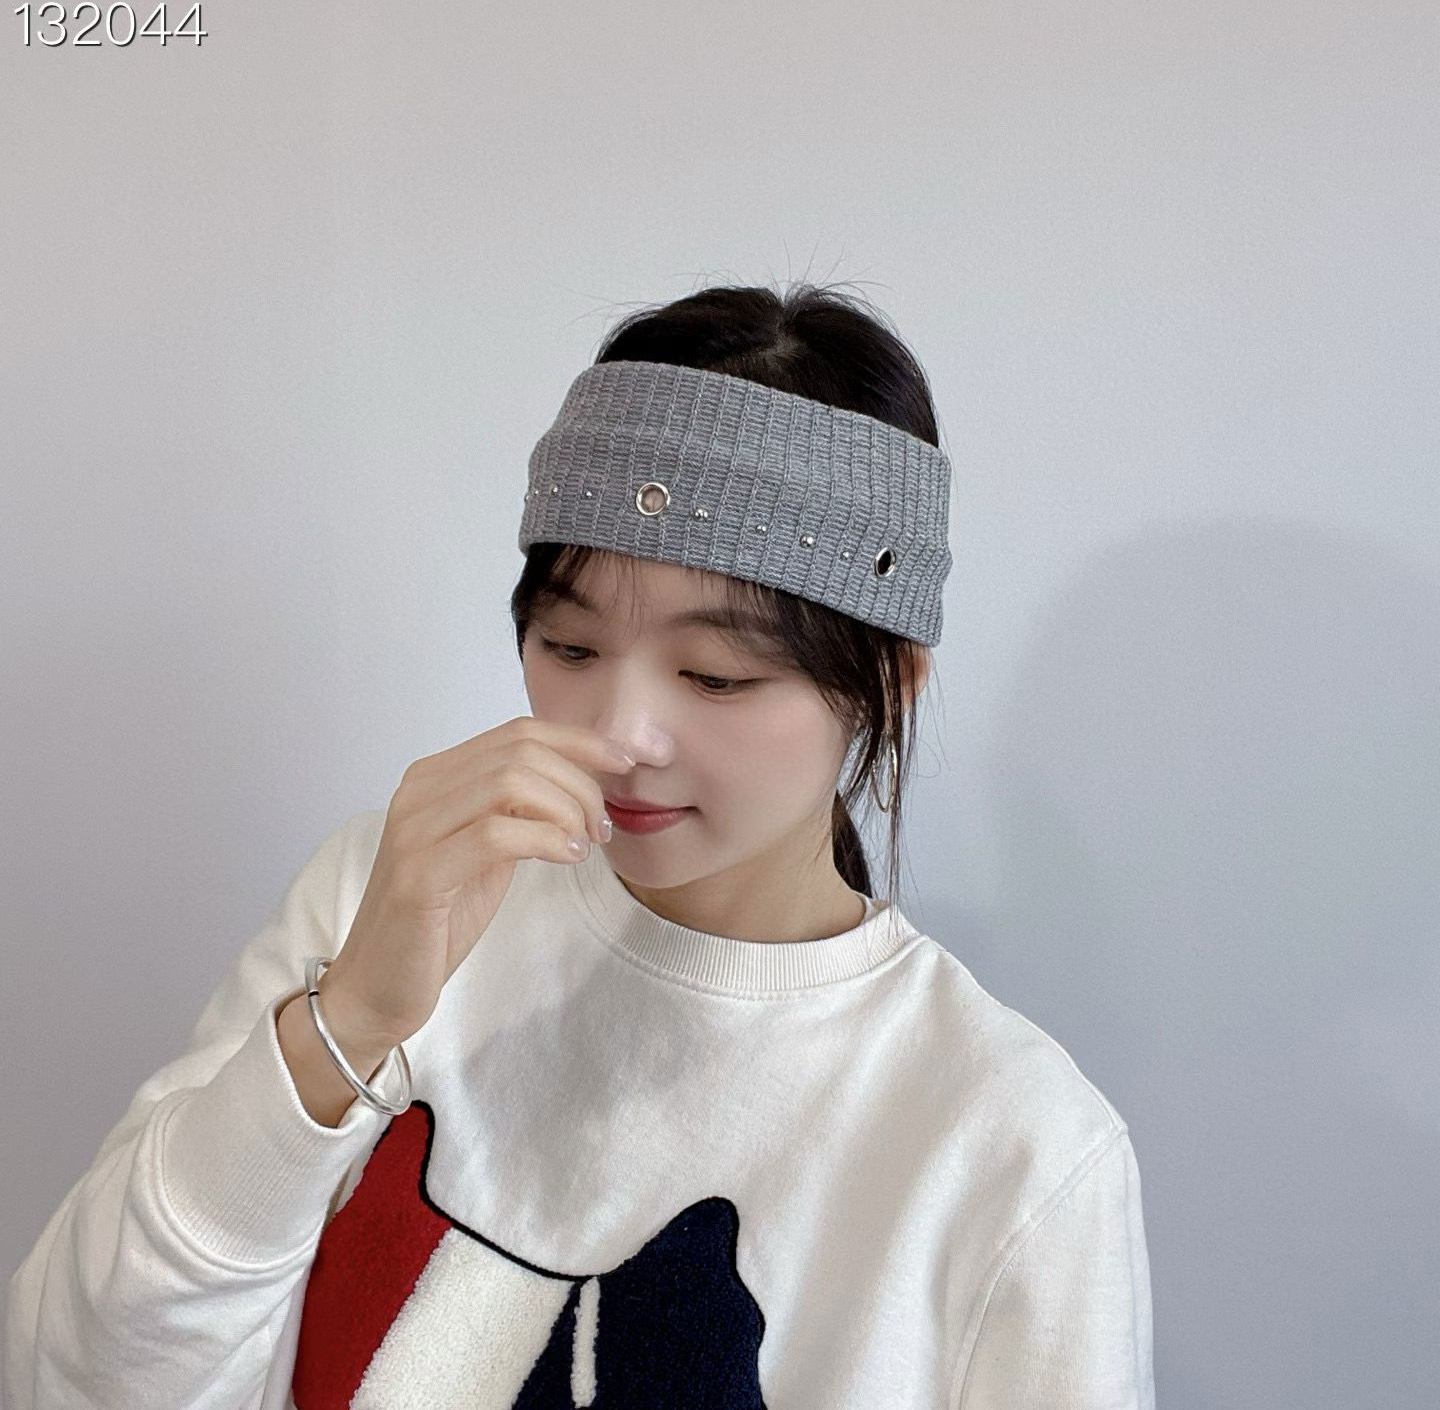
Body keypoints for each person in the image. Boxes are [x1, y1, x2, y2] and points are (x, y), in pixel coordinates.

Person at [4, 282, 1155, 1408]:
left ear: (888, 685)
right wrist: (344, 1022)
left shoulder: (1012, 1150)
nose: (620, 736)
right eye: (569, 647)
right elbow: (70, 1377)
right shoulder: (388, 893)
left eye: (716, 675)